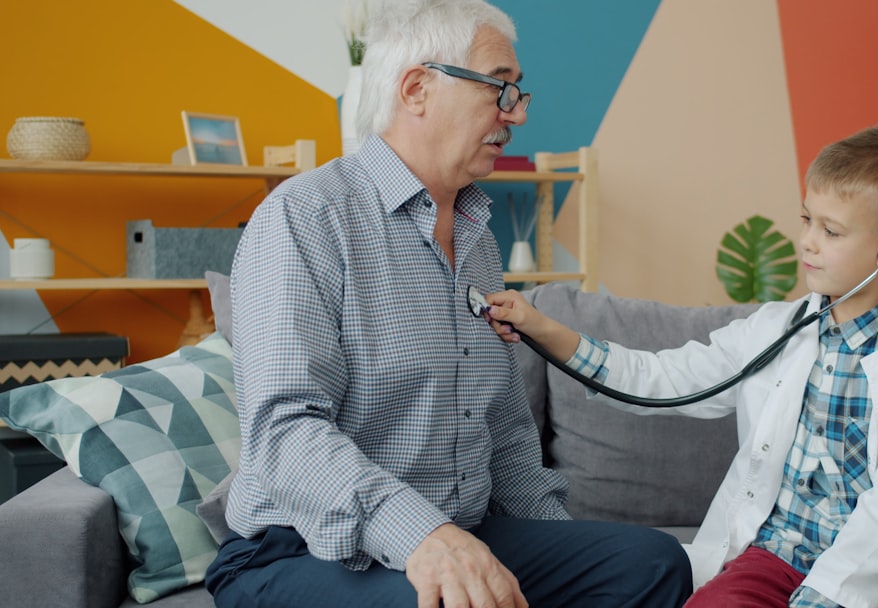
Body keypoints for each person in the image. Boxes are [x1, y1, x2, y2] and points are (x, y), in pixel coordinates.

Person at [203, 1, 693, 607]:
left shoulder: (476, 237)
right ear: (417, 89)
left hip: (458, 532)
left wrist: (563, 547)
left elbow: (504, 429)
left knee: (650, 563)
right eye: (500, 88)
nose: (516, 114)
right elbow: (286, 432)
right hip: (299, 547)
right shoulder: (306, 216)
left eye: (519, 93)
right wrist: (423, 535)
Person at [482, 124, 878, 608]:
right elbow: (660, 380)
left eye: (831, 231)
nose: (807, 241)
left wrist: (820, 599)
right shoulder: (773, 330)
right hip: (773, 558)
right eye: (807, 219)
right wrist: (543, 328)